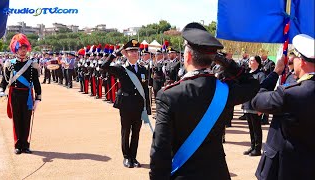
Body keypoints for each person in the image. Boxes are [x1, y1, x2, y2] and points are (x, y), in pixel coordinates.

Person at [149, 22, 260, 179]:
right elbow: (252, 84)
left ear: (187, 56)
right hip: (217, 173)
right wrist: (228, 63)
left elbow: (160, 150)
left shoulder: (169, 95)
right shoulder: (225, 90)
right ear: (213, 60)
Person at [253, 34, 315, 179]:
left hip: (286, 168)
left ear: (302, 62)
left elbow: (257, 101)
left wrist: (275, 73)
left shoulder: (290, 93)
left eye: (295, 59)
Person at [101, 39, 151, 168]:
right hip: (126, 104)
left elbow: (145, 90)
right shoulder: (121, 68)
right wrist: (114, 54)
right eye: (131, 51)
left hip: (139, 105)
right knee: (126, 131)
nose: (134, 53)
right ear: (126, 53)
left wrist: (147, 108)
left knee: (136, 132)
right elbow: (104, 66)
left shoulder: (143, 69)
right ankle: (126, 157)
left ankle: (133, 157)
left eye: (136, 51)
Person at [0, 33, 41, 154]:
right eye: (21, 49)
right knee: (16, 119)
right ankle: (17, 145)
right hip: (15, 95)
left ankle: (25, 145)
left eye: (25, 49)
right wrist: (1, 90)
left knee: (26, 120)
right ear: (16, 50)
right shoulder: (9, 64)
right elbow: (4, 81)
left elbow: (36, 83)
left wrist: (38, 98)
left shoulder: (32, 64)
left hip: (27, 95)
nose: (23, 51)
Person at [242, 56, 266, 156]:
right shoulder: (248, 74)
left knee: (256, 128)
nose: (249, 62)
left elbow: (262, 90)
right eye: (250, 60)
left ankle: (257, 148)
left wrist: (261, 106)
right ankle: (252, 146)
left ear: (257, 63)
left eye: (252, 60)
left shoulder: (261, 75)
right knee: (251, 128)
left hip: (255, 105)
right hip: (247, 104)